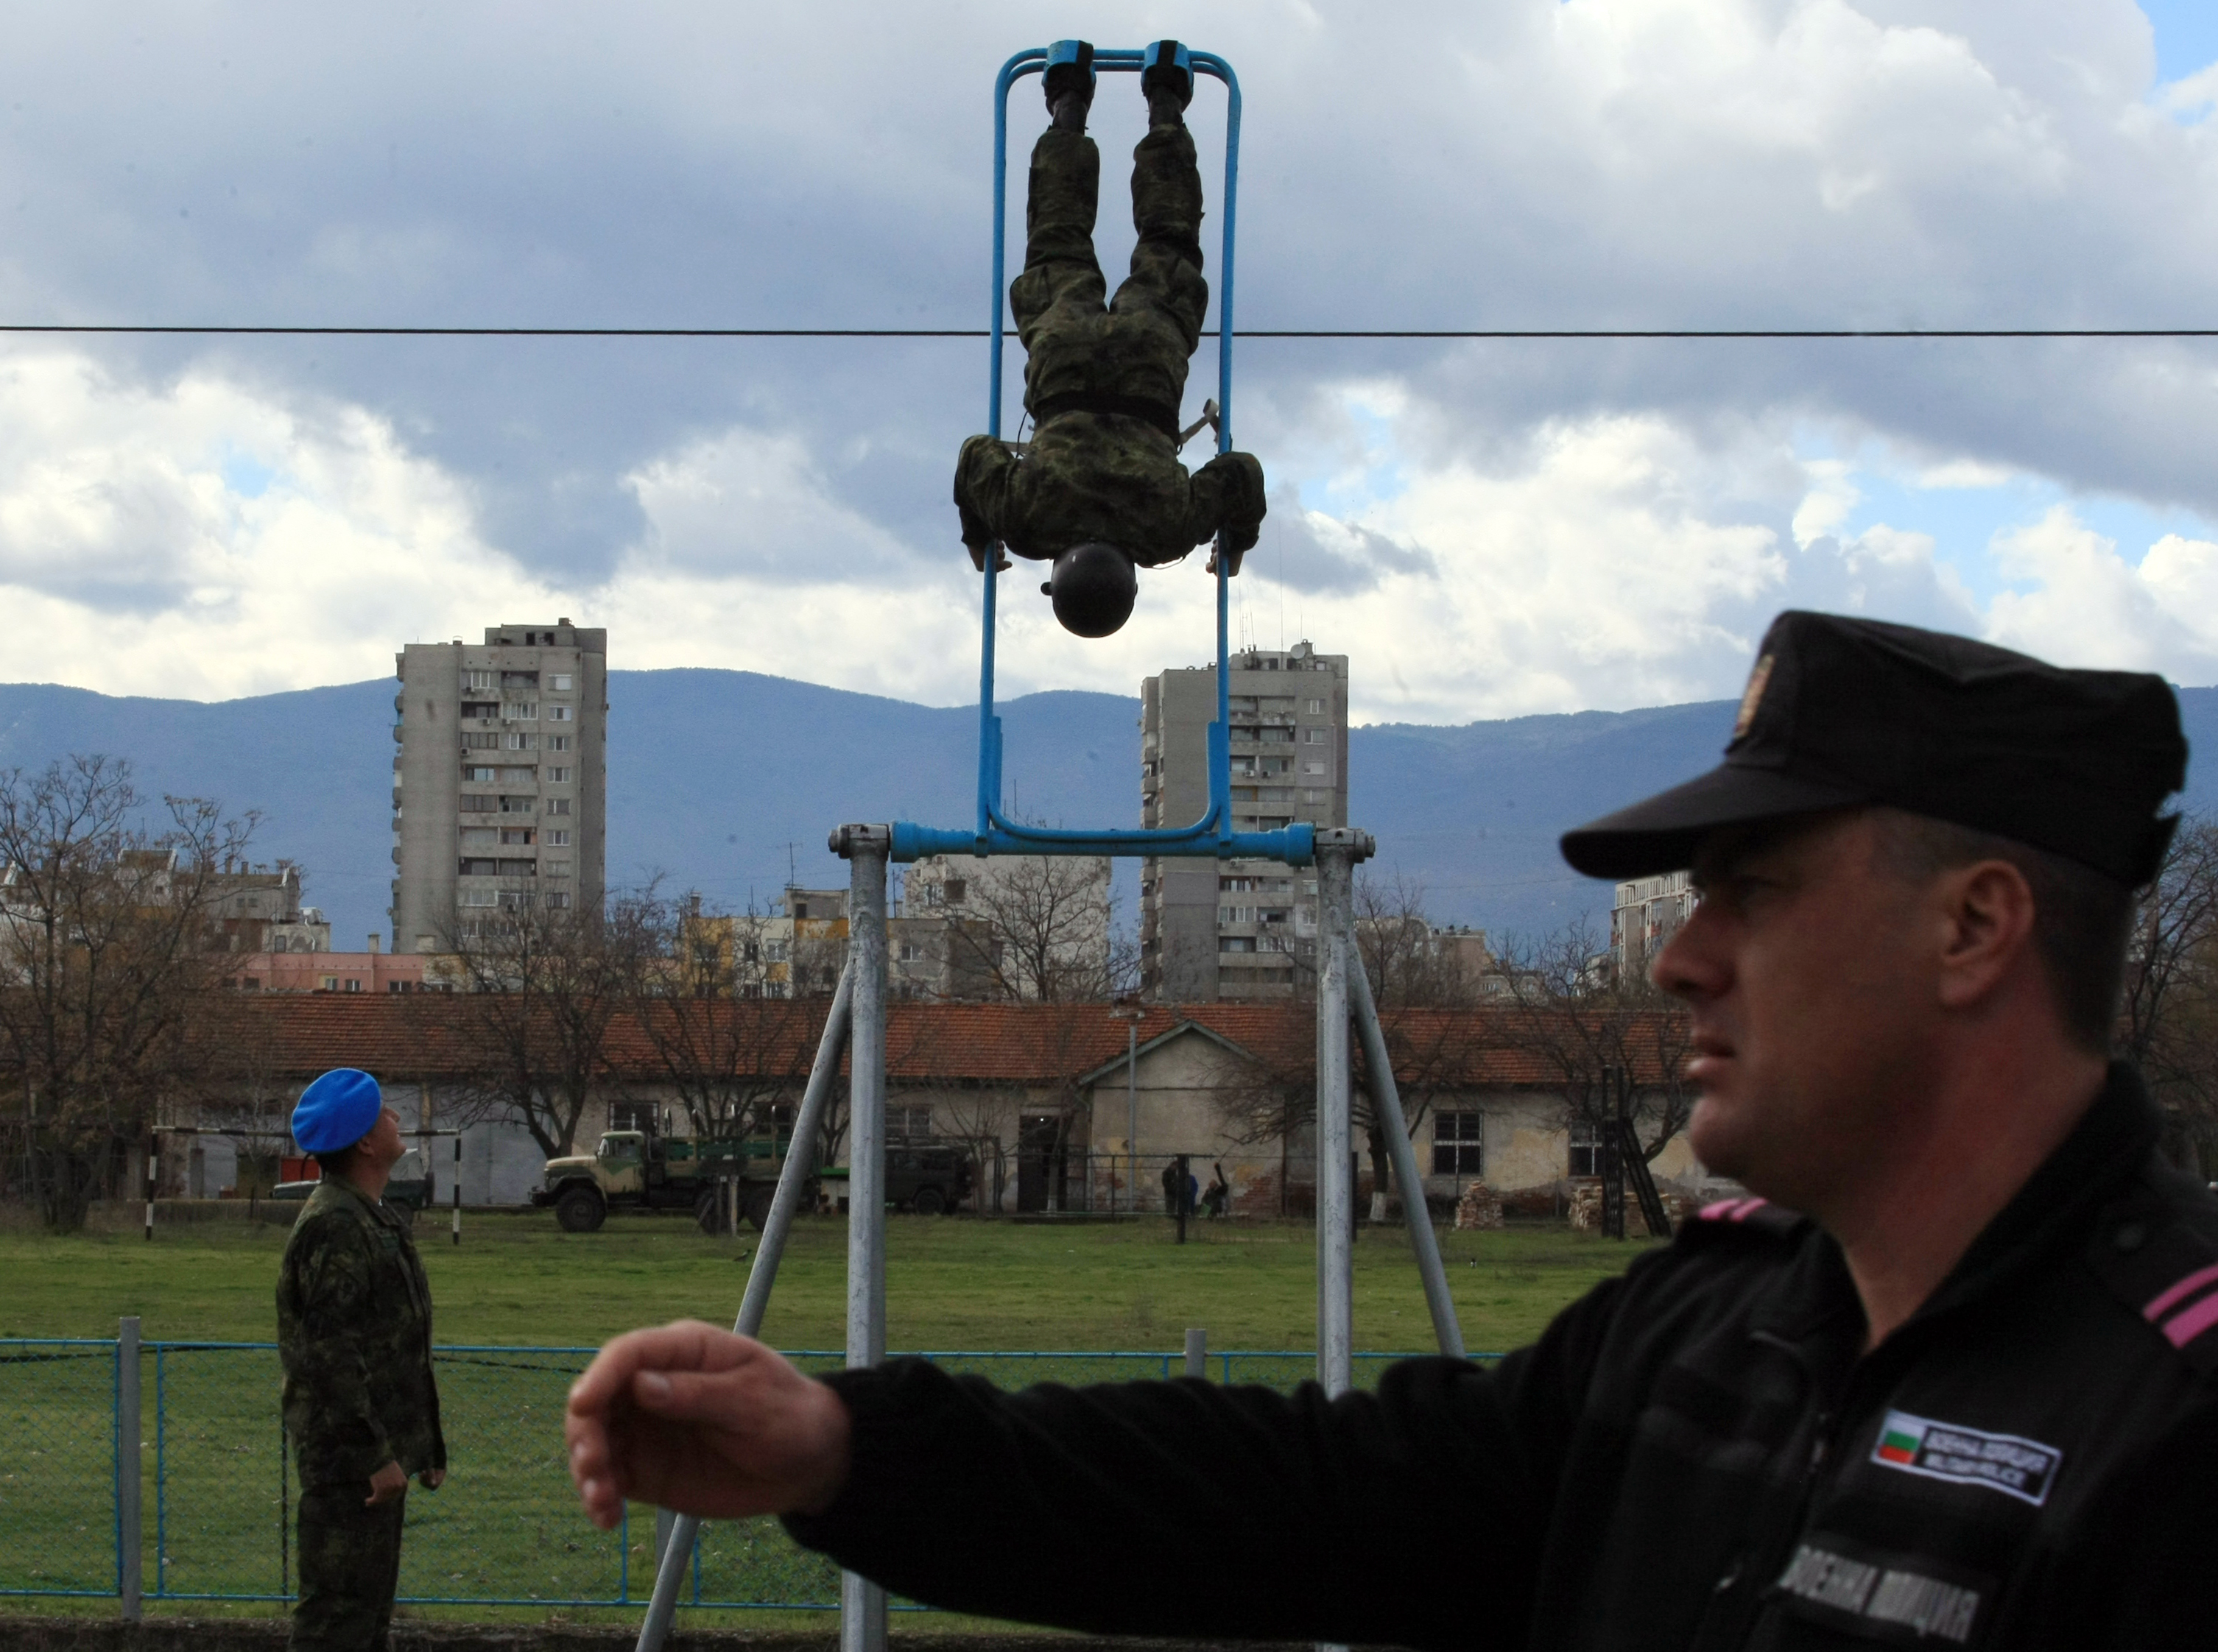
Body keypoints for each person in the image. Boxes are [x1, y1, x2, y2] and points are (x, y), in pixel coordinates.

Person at [563, 611, 2217, 1649]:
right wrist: (850, 1451)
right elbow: (1322, 1503)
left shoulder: (2170, 1422)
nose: (1688, 958)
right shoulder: (1710, 1327)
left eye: (1755, 894)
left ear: (1974, 930)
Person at [953, 40, 1267, 638]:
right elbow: (974, 456)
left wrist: (1234, 546)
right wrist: (979, 535)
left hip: (1150, 363)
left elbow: (1242, 474)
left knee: (1169, 242)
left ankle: (1167, 100)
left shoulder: (1164, 530)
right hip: (1063, 363)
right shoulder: (1028, 523)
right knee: (1056, 239)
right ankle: (1067, 100)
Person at [278, 1068, 446, 1651]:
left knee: (366, 1622)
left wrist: (421, 1447)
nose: (396, 1117)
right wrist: (373, 1455)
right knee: (337, 1624)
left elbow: (395, 1345)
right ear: (365, 1144)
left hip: (377, 1462)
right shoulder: (336, 1227)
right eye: (383, 1112)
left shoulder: (367, 1216)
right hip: (351, 1466)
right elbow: (329, 1357)